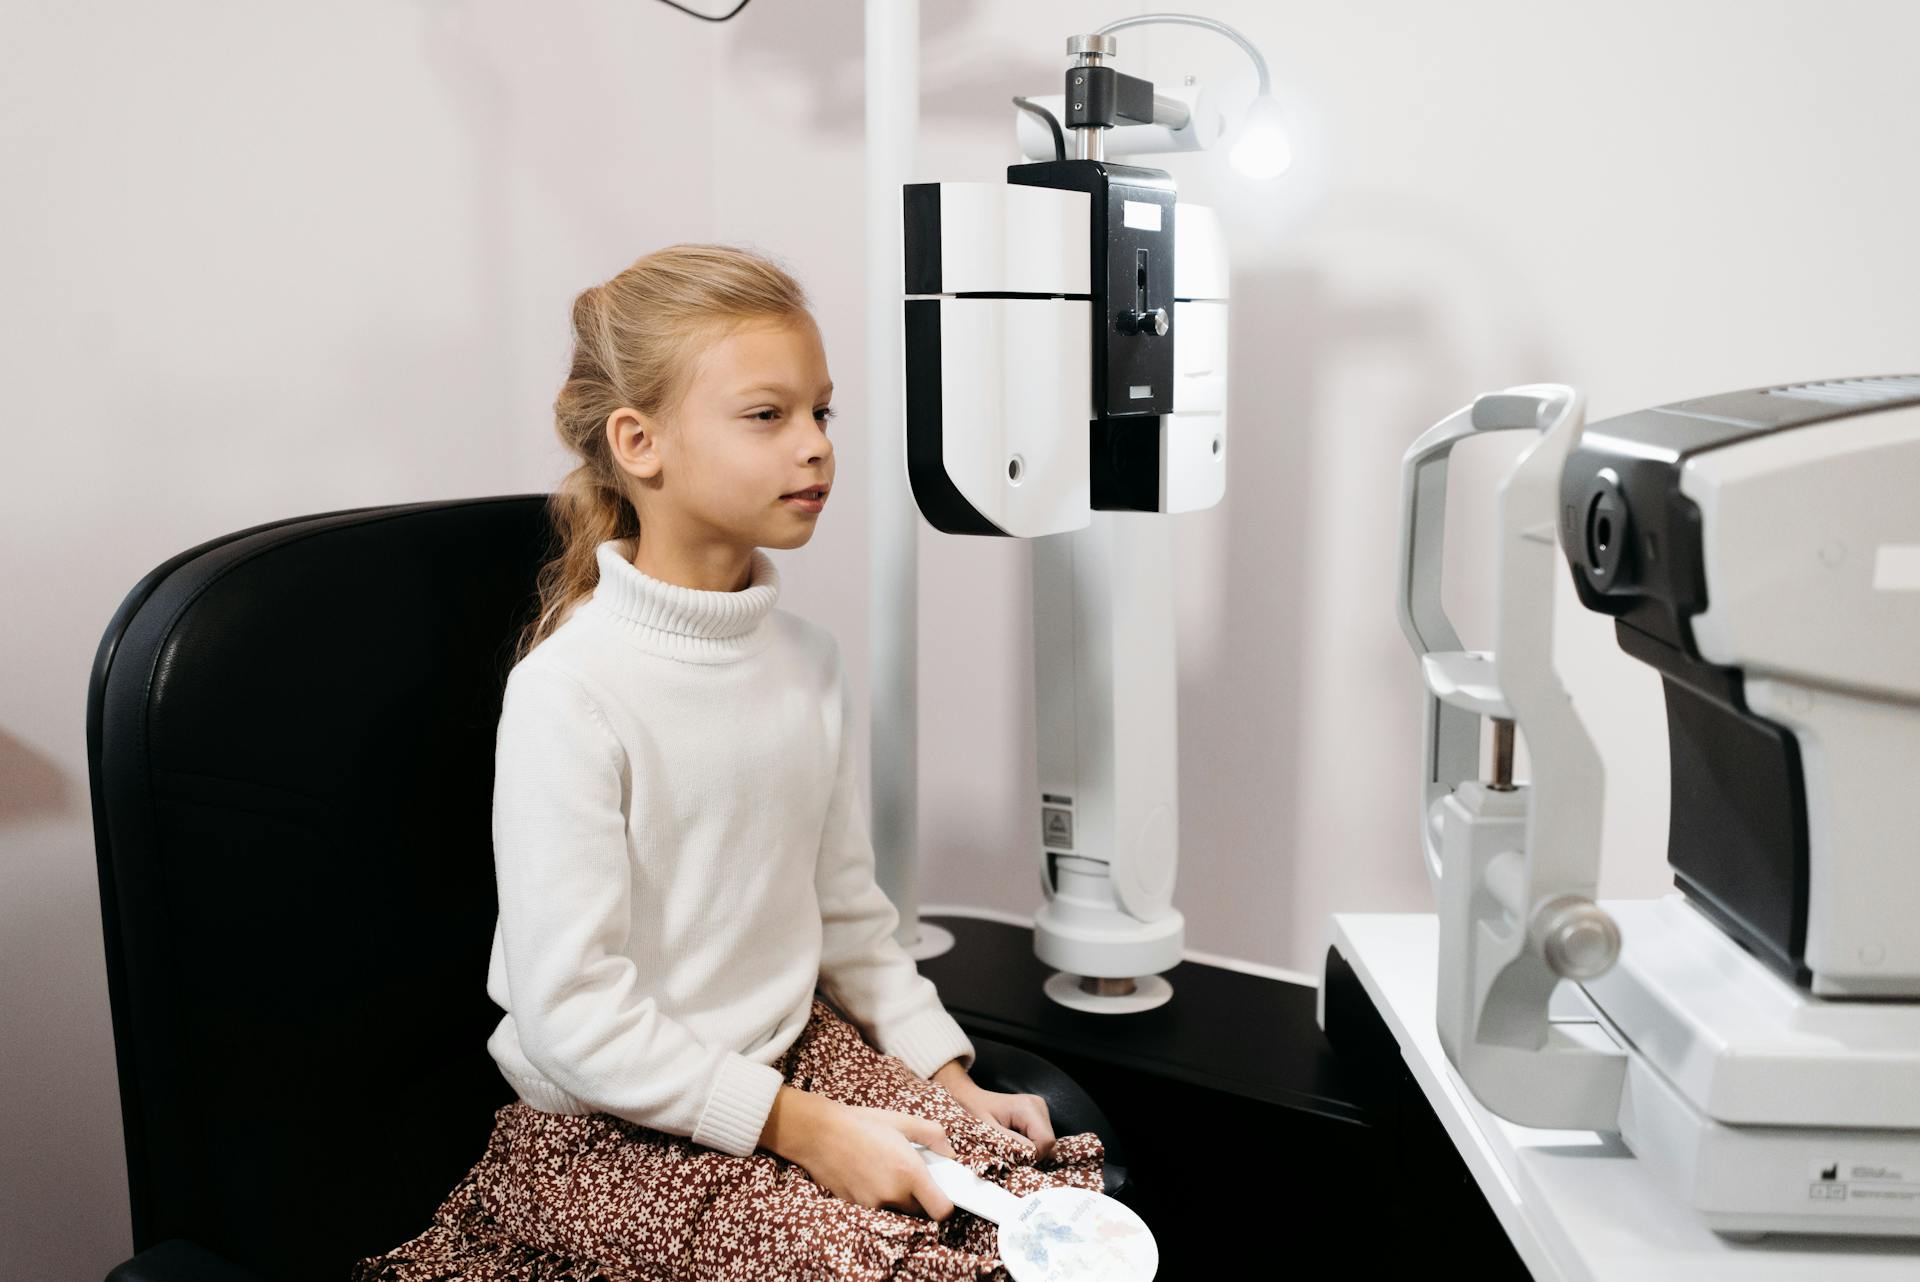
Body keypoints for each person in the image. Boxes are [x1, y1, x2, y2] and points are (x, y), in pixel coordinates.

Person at [352, 243, 1107, 1282]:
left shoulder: (807, 662)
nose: (816, 449)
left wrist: (945, 1069)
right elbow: (574, 1015)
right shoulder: (569, 693)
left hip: (791, 1056)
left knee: (1039, 1210)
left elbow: (848, 911)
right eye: (768, 416)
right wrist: (805, 1128)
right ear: (640, 442)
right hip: (622, 1124)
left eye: (822, 413)